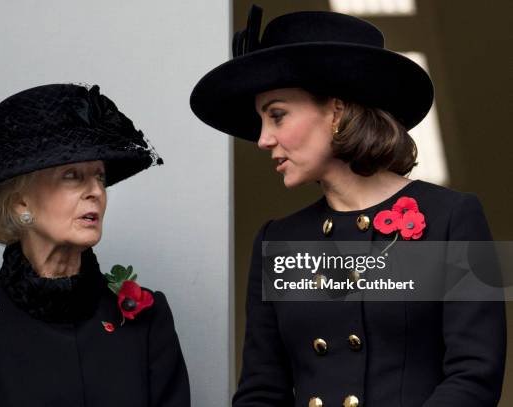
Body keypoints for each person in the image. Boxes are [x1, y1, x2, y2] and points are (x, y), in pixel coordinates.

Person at [190, 6, 506, 407]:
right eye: (261, 122)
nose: (263, 139)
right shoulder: (277, 240)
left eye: (277, 115)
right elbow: (261, 391)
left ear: (336, 110)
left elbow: (475, 376)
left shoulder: (452, 217)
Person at [0, 83, 190, 406]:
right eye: (73, 175)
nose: (96, 192)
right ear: (22, 204)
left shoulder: (147, 318)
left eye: (100, 177)